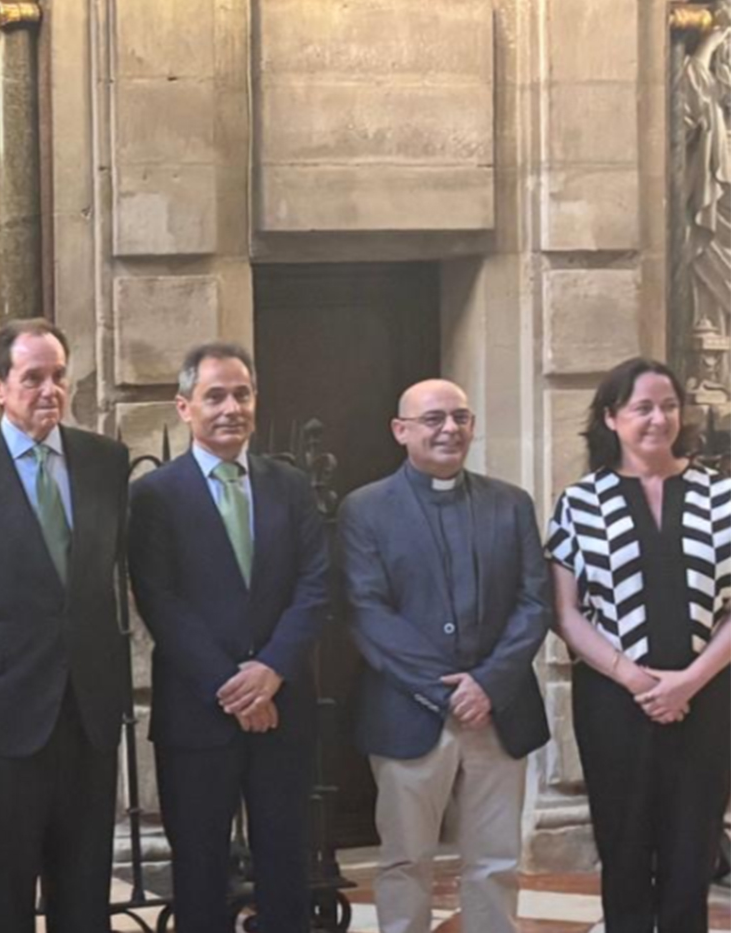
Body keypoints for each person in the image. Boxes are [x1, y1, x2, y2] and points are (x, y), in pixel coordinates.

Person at [0, 318, 131, 932]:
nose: (49, 390)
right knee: (5, 887)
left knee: (85, 886)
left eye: (58, 376)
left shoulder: (105, 462)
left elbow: (104, 570)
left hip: (88, 708)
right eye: (32, 377)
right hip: (0, 710)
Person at [128, 342, 330, 933]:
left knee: (286, 863)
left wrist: (270, 671)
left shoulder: (290, 486)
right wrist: (233, 687)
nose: (230, 407)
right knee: (199, 869)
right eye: (214, 395)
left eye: (241, 394)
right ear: (184, 407)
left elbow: (315, 586)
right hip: (197, 713)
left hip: (283, 706)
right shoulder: (154, 495)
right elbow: (159, 601)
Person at [339, 379, 551, 933]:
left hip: (498, 711)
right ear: (400, 430)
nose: (450, 429)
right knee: (406, 860)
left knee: (497, 861)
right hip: (407, 713)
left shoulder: (511, 503)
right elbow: (367, 612)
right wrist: (446, 689)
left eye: (460, 417)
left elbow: (535, 602)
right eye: (433, 419)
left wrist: (488, 684)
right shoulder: (364, 509)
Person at [546, 357, 731, 933]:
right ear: (612, 417)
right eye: (642, 407)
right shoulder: (580, 501)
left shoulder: (722, 496)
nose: (658, 419)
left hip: (707, 698)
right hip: (613, 702)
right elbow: (565, 613)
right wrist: (634, 677)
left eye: (669, 406)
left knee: (691, 846)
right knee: (623, 844)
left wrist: (688, 681)